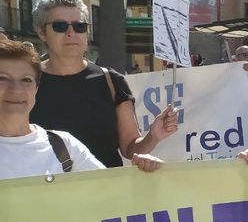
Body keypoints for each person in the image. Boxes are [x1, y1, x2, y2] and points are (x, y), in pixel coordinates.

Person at [29, 0, 178, 168]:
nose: (71, 33)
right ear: (41, 32)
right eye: (60, 26)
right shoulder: (25, 81)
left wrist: (153, 136)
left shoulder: (112, 81)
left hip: (106, 183)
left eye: (79, 26)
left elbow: (130, 147)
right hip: (45, 184)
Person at [0, 40, 161, 179]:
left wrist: (144, 172)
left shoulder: (64, 146)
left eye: (26, 80)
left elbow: (111, 192)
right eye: (3, 79)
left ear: (36, 89)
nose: (16, 90)